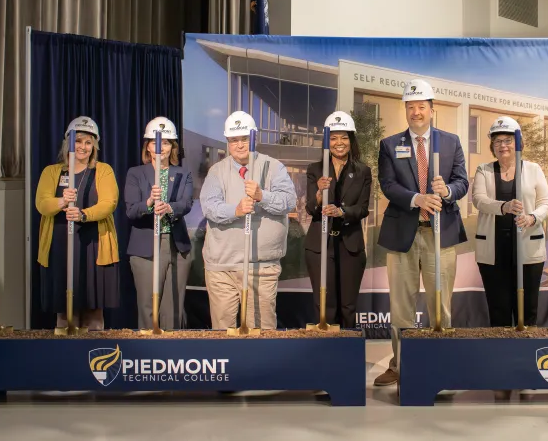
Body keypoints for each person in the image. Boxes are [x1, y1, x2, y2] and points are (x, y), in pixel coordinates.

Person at [373, 79, 469, 386]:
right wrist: (417, 199)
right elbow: (388, 184)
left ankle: (443, 364)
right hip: (403, 234)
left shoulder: (451, 142)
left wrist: (448, 191)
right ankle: (400, 364)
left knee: (440, 305)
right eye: (411, 107)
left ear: (432, 109)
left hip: (441, 234)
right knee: (401, 306)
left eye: (421, 107)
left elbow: (462, 182)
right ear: (405, 110)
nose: (416, 112)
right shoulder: (390, 145)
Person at [200, 111, 297, 330]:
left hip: (261, 267)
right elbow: (210, 207)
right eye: (234, 140)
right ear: (228, 141)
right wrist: (236, 210)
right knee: (223, 332)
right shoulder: (216, 171)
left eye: (244, 138)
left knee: (260, 333)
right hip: (222, 268)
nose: (240, 145)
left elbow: (289, 201)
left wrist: (262, 196)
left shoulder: (274, 167)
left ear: (254, 138)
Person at [35, 116, 119, 330]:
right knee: (64, 313)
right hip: (59, 247)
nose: (83, 147)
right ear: (68, 144)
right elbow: (42, 204)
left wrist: (83, 215)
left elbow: (109, 203)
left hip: (94, 246)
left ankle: (93, 350)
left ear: (94, 146)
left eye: (88, 142)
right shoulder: (52, 171)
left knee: (94, 312)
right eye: (78, 141)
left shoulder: (103, 170)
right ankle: (65, 350)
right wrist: (62, 201)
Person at [472, 117, 548, 327]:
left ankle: (526, 346)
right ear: (492, 146)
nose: (503, 145)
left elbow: (545, 204)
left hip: (528, 247)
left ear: (519, 143)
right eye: (497, 141)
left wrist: (532, 217)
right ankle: (500, 347)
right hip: (493, 249)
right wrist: (503, 206)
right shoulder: (484, 170)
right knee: (498, 309)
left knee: (527, 309)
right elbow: (479, 200)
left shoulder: (534, 169)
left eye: (508, 140)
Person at [304, 111, 373, 329]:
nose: (339, 143)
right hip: (320, 245)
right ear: (327, 142)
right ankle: (326, 347)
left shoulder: (363, 171)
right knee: (325, 305)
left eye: (344, 137)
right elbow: (310, 208)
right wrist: (318, 194)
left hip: (350, 245)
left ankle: (348, 346)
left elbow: (362, 209)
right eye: (333, 138)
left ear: (351, 140)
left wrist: (342, 212)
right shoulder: (315, 169)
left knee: (348, 306)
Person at [125, 117, 194, 330]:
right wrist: (148, 203)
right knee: (148, 305)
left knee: (173, 308)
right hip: (146, 247)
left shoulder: (182, 173)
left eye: (165, 142)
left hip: (176, 246)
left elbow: (186, 203)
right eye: (156, 142)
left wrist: (169, 208)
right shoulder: (136, 173)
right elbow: (131, 210)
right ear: (147, 146)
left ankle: (171, 347)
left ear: (172, 147)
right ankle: (149, 346)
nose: (160, 147)